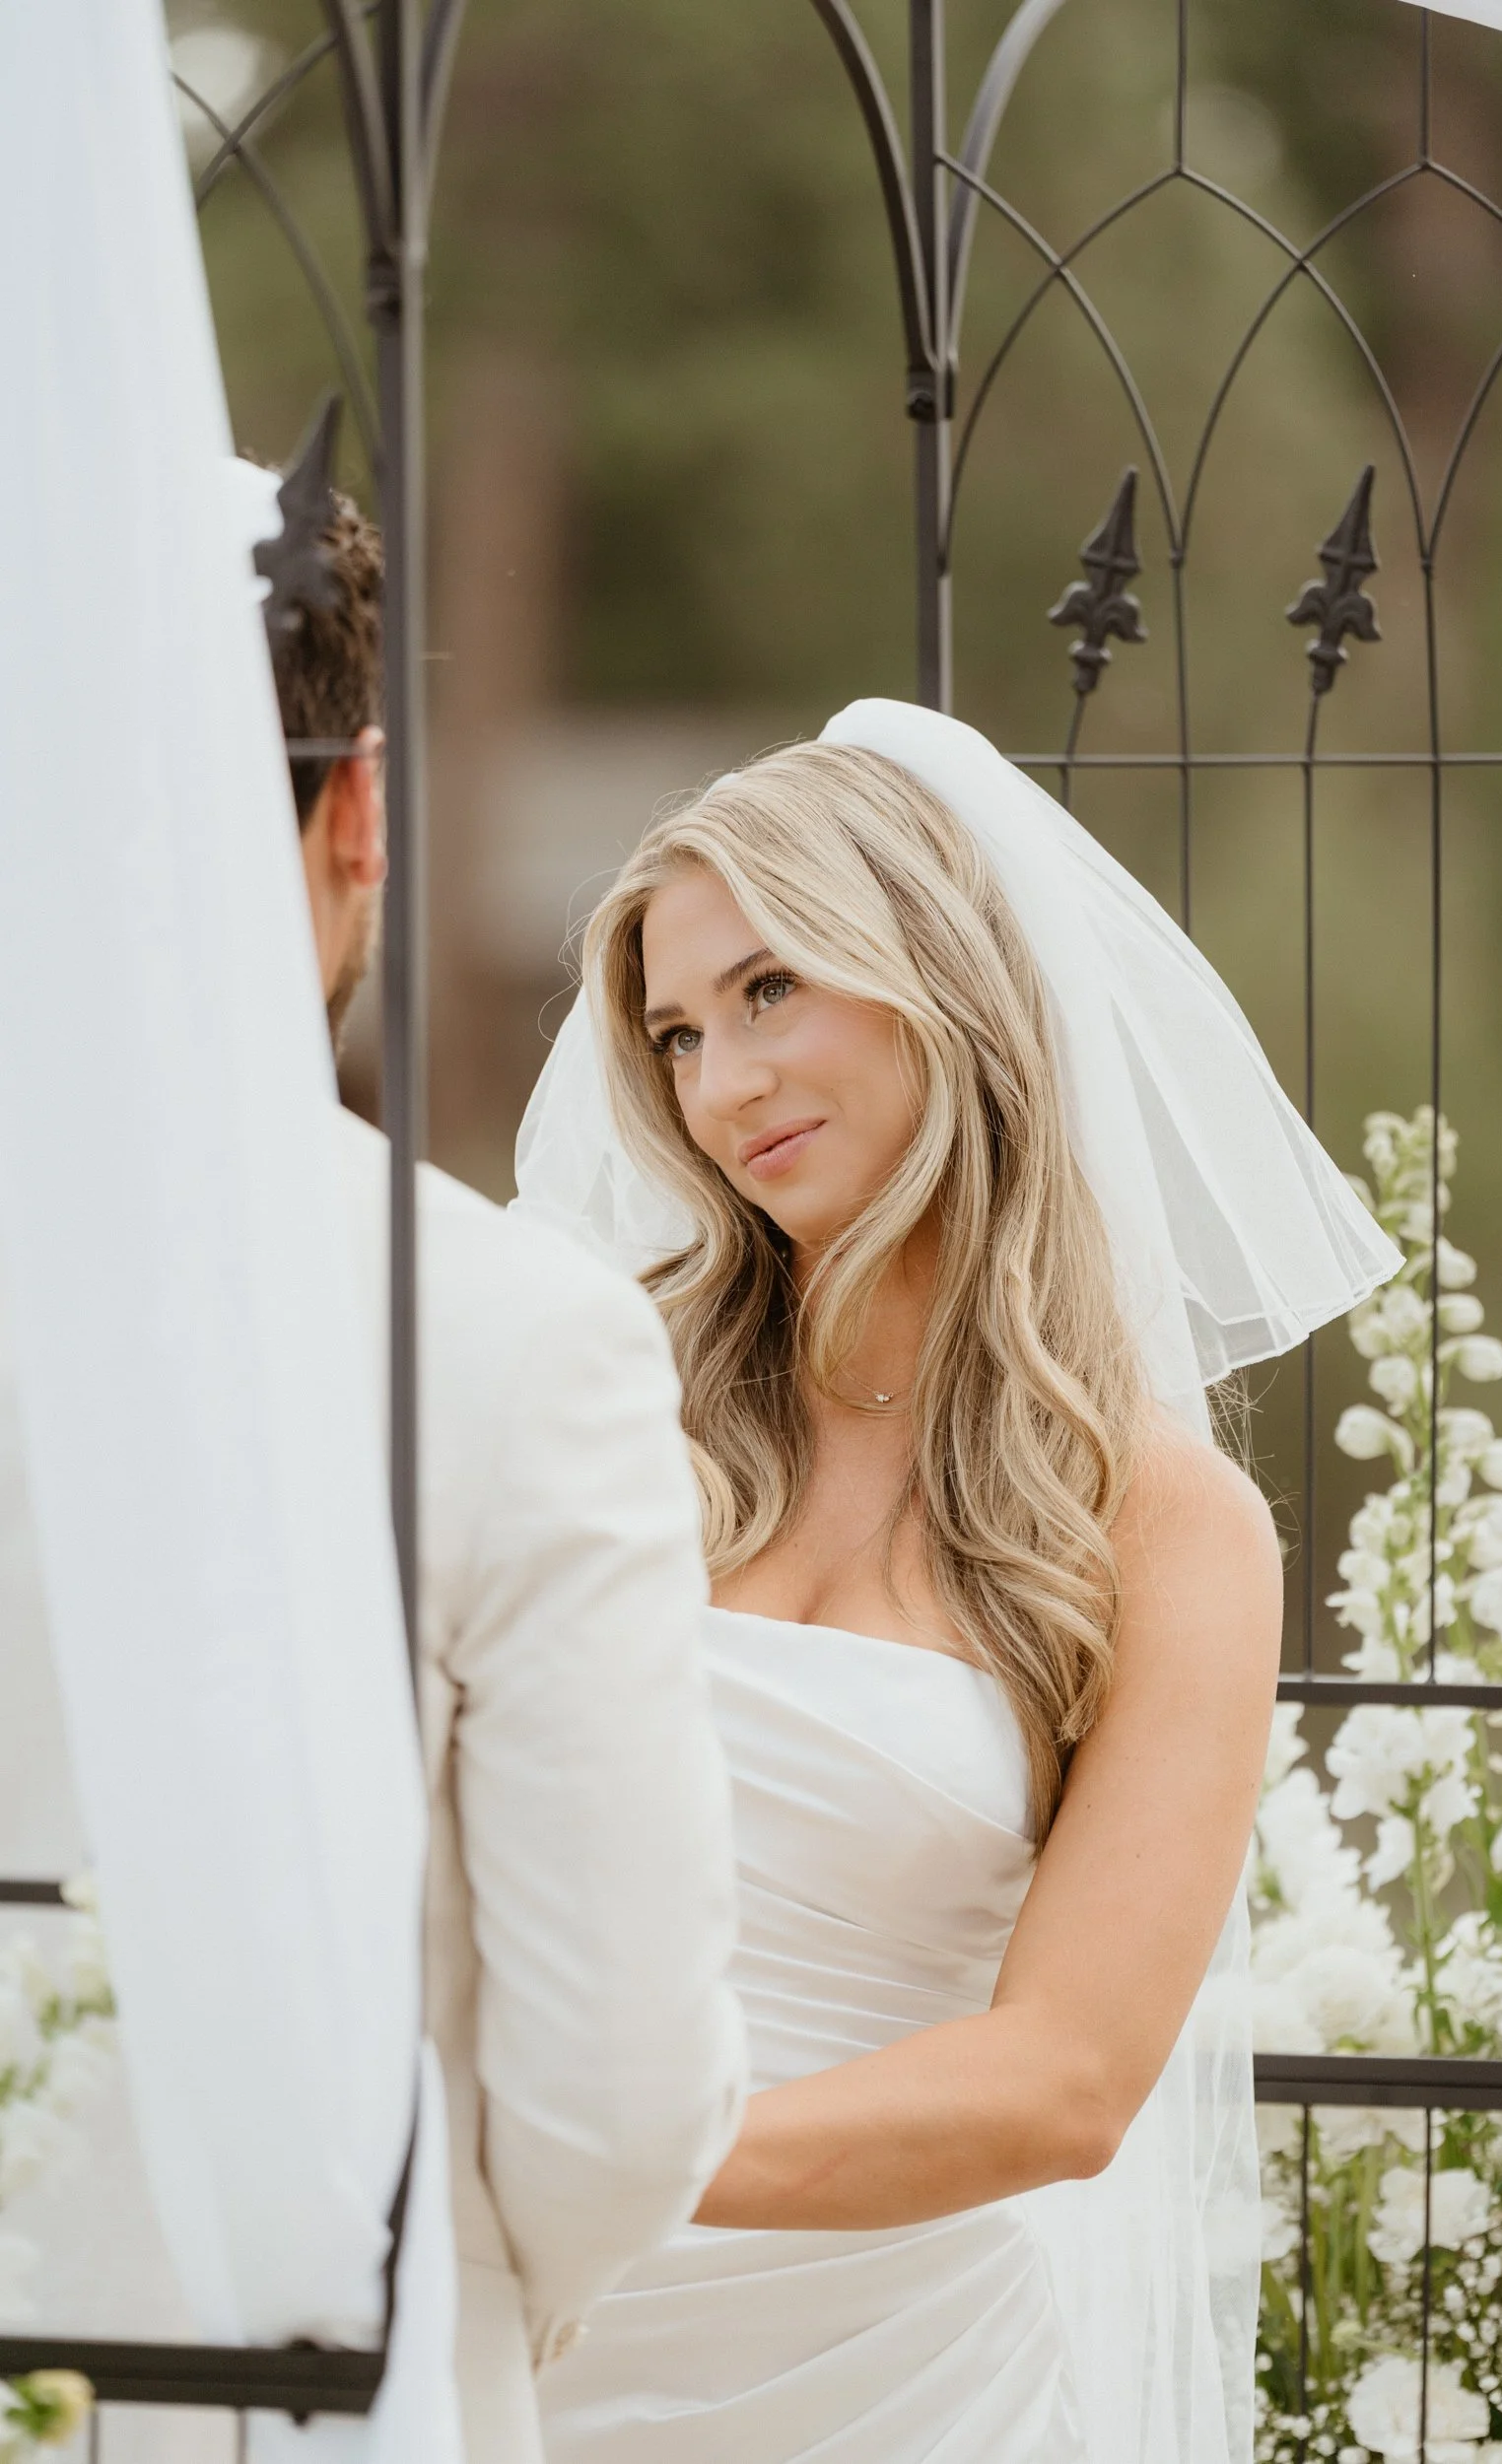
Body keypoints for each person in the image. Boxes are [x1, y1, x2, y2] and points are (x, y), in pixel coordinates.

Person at [512, 703, 1401, 2464]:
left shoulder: (1162, 1522)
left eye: (770, 989)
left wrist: (583, 2164)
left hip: (894, 2386)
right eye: (678, 1033)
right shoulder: (602, 1399)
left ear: (929, 971)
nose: (722, 1080)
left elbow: (1066, 2083)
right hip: (523, 2346)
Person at [255, 458, 749, 2464]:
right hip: (312, 2372)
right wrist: (477, 2313)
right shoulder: (508, 1335)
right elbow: (619, 2107)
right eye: (685, 1021)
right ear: (361, 803)